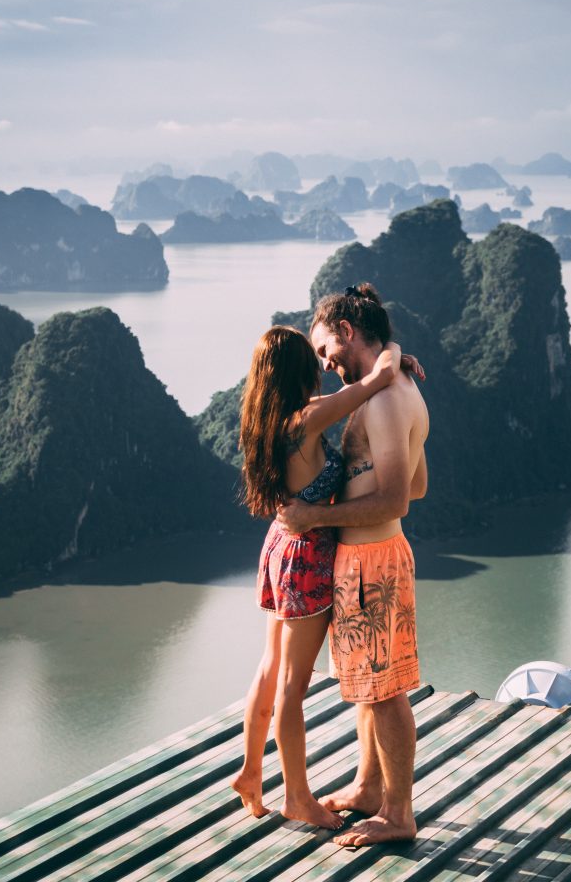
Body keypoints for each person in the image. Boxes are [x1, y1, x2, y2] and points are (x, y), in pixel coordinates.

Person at [230, 324, 419, 829]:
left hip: (279, 546)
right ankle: (296, 796)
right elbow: (372, 381)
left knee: (270, 668)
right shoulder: (308, 418)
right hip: (309, 555)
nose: (323, 366)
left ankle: (250, 772)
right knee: (293, 685)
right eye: (313, 360)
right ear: (299, 372)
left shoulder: (265, 421)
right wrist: (397, 354)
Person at [277, 284, 429, 847]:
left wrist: (314, 514)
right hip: (373, 556)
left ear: (345, 331)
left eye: (324, 350)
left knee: (385, 692)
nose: (323, 363)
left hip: (371, 563)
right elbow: (417, 479)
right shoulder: (395, 387)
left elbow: (396, 499)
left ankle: (398, 813)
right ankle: (370, 787)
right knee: (371, 686)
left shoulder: (385, 399)